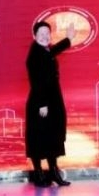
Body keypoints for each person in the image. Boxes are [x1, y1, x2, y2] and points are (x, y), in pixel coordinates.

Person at [25, 20, 76, 187]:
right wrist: (42, 104)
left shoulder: (45, 50)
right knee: (38, 138)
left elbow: (53, 51)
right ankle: (39, 174)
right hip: (41, 102)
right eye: (41, 34)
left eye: (47, 33)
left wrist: (68, 39)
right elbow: (36, 81)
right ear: (34, 36)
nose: (45, 37)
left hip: (52, 100)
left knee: (52, 137)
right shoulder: (35, 54)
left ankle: (53, 172)